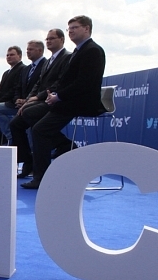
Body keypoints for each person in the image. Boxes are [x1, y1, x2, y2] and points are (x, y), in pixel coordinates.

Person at [21, 16, 106, 190]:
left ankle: (42, 177)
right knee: (30, 116)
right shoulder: (78, 51)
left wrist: (58, 96)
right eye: (69, 28)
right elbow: (65, 81)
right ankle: (64, 146)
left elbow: (84, 83)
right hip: (68, 100)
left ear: (87, 29)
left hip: (80, 102)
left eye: (75, 27)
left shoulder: (92, 50)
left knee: (40, 130)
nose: (71, 31)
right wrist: (53, 94)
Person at [11, 29, 71, 178]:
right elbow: (38, 84)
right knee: (15, 123)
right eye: (47, 39)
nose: (48, 41)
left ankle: (64, 144)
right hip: (41, 100)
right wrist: (28, 100)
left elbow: (60, 82)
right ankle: (27, 160)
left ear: (62, 40)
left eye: (52, 38)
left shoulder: (67, 57)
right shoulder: (49, 61)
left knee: (30, 116)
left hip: (56, 100)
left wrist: (38, 97)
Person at [0, 46, 26, 144]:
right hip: (3, 101)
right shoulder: (6, 73)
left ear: (19, 56)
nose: (9, 57)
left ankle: (10, 134)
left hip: (13, 102)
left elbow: (15, 89)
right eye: (7, 55)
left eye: (12, 55)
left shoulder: (23, 69)